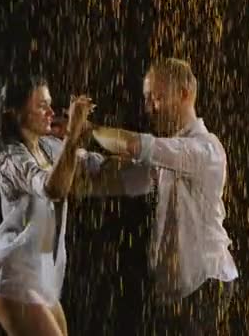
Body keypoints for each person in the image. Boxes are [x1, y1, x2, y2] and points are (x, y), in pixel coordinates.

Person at [77, 58, 239, 335]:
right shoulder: (169, 154)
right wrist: (69, 154)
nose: (149, 108)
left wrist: (88, 130)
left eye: (157, 97)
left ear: (185, 94)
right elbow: (118, 179)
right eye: (147, 98)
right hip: (178, 289)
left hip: (206, 282)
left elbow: (132, 144)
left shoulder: (204, 149)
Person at [0, 74, 98, 336]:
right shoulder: (10, 158)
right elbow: (52, 188)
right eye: (41, 105)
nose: (51, 112)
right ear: (14, 112)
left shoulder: (49, 147)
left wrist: (152, 161)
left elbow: (95, 166)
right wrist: (73, 134)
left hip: (40, 277)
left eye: (51, 105)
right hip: (11, 274)